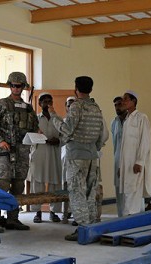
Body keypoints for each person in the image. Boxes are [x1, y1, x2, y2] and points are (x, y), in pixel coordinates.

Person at [48, 76, 105, 241]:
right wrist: (94, 149)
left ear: (76, 89)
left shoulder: (76, 106)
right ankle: (92, 226)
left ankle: (83, 229)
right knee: (90, 191)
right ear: (91, 89)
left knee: (77, 192)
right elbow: (101, 134)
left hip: (77, 156)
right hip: (92, 156)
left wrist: (54, 116)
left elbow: (66, 130)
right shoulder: (96, 108)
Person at [0, 71, 39, 231]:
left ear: (24, 87)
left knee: (18, 186)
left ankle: (13, 219)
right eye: (13, 86)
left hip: (22, 153)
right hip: (6, 153)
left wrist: (37, 135)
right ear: (9, 86)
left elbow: (34, 127)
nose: (16, 88)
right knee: (2, 184)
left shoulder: (28, 108)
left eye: (19, 86)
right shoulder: (0, 104)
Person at [28, 93, 62, 223]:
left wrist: (58, 141)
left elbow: (65, 136)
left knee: (55, 183)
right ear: (39, 104)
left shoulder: (58, 119)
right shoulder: (35, 120)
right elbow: (29, 137)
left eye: (50, 101)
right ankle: (38, 212)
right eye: (44, 101)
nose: (47, 104)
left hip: (54, 153)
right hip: (39, 154)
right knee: (38, 183)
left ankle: (54, 212)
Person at [118, 90, 151, 216]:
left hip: (135, 162)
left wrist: (139, 161)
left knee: (133, 189)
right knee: (128, 190)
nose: (123, 101)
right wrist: (120, 166)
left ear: (134, 101)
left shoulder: (142, 118)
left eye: (126, 99)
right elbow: (124, 146)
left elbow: (145, 141)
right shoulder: (126, 119)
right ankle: (130, 215)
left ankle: (130, 216)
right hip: (126, 163)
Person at [111, 96, 127, 216]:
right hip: (117, 159)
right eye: (116, 105)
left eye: (120, 104)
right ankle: (121, 216)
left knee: (131, 189)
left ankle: (134, 216)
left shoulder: (134, 120)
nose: (117, 107)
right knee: (119, 189)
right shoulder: (114, 122)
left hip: (130, 160)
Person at [61, 96, 76, 225]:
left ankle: (76, 213)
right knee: (65, 186)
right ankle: (65, 213)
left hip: (77, 158)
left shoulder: (79, 120)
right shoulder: (63, 122)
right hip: (64, 159)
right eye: (68, 104)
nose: (70, 107)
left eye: (73, 104)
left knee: (77, 186)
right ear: (65, 107)